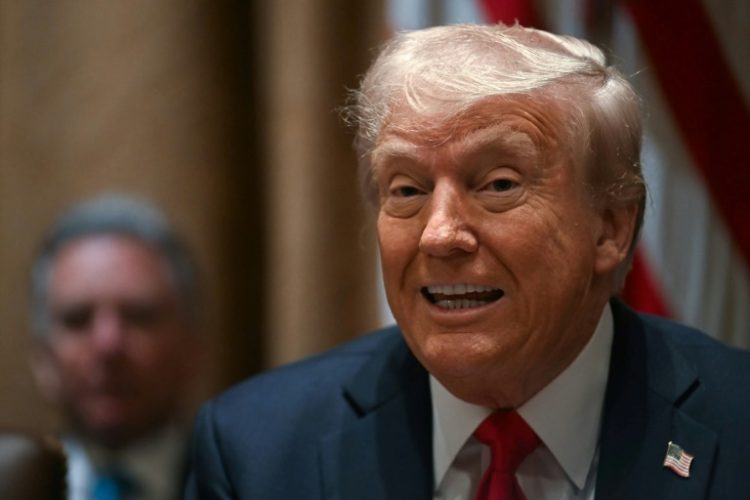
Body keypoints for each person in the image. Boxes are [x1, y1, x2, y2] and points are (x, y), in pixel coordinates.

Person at [185, 23, 750, 499]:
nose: (439, 235)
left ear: (611, 227)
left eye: (498, 184)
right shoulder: (255, 454)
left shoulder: (737, 424)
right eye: (406, 190)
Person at [30, 195, 202, 500]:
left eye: (139, 316)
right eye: (78, 320)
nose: (108, 345)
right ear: (42, 357)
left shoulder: (242, 485)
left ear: (191, 347)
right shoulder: (16, 484)